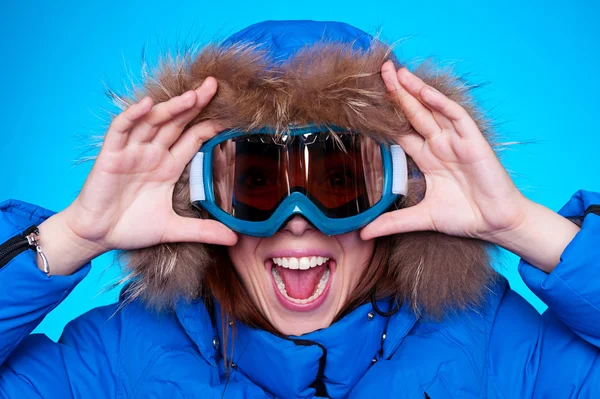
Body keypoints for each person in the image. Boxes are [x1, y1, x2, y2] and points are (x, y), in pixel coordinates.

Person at [0, 20, 598, 399]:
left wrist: (520, 226)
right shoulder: (115, 361)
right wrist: (74, 235)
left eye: (340, 184)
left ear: (404, 194)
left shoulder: (502, 348)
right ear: (200, 205)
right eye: (255, 185)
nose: (296, 218)